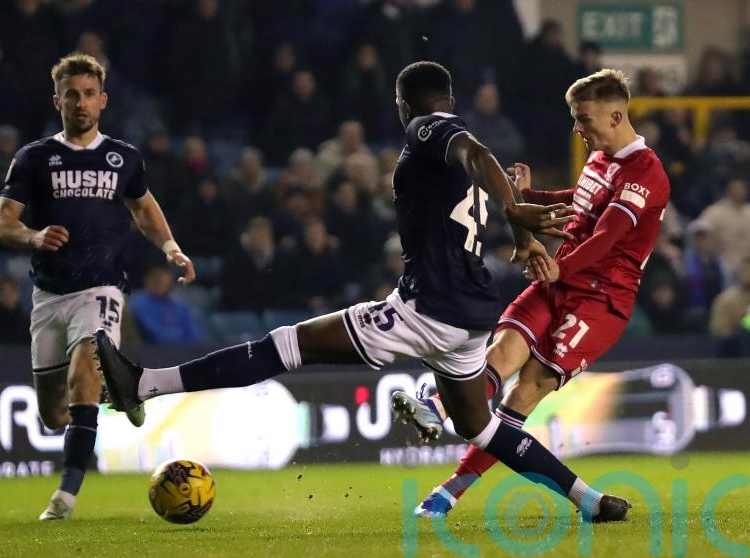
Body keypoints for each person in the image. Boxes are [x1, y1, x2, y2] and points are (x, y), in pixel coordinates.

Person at [95, 61, 630, 523]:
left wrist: (515, 211)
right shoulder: (460, 143)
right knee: (479, 426)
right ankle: (588, 499)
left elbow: (471, 151)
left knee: (284, 345)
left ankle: (142, 384)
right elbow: (478, 158)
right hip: (471, 317)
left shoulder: (429, 129)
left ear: (404, 103)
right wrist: (517, 227)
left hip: (426, 309)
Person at [392, 68, 670, 517]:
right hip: (559, 281)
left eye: (584, 119)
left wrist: (560, 265)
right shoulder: (600, 159)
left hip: (600, 301)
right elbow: (578, 202)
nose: (577, 128)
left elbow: (607, 237)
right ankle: (437, 404)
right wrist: (528, 195)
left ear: (617, 116)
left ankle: (449, 491)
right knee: (500, 356)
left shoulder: (646, 173)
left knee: (524, 394)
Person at [0, 54, 195, 521]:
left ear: (102, 101)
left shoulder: (123, 157)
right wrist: (33, 236)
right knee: (54, 415)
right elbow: (2, 223)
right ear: (57, 100)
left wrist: (171, 248)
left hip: (101, 287)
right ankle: (120, 391)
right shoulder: (34, 158)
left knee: (85, 371)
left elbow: (144, 209)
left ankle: (64, 499)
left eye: (88, 94)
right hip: (49, 294)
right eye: (71, 94)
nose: (80, 103)